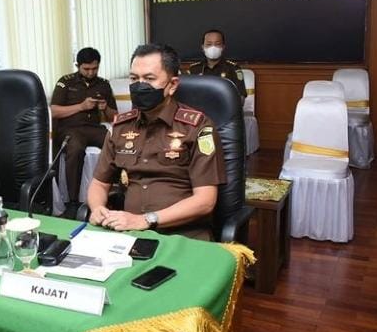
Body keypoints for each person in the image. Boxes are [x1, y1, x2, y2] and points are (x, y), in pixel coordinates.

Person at [87, 44, 225, 240]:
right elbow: (99, 184)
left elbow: (205, 201)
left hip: (183, 235)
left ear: (172, 85)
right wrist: (97, 208)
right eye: (134, 78)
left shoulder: (198, 127)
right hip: (128, 233)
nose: (139, 85)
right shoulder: (121, 127)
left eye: (149, 78)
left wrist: (146, 220)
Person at [50, 47, 117, 217]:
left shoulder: (103, 84)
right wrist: (81, 106)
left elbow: (114, 117)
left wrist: (105, 108)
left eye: (95, 68)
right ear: (78, 66)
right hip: (70, 128)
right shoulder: (66, 82)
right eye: (86, 69)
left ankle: (116, 192)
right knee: (76, 148)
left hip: (93, 128)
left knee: (115, 142)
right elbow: (54, 111)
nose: (90, 72)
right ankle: (73, 201)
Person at [187, 29, 247, 99]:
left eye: (217, 44)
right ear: (203, 47)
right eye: (209, 44)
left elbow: (241, 97)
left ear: (223, 47)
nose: (213, 47)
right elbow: (187, 95)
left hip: (224, 105)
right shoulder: (194, 69)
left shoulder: (233, 69)